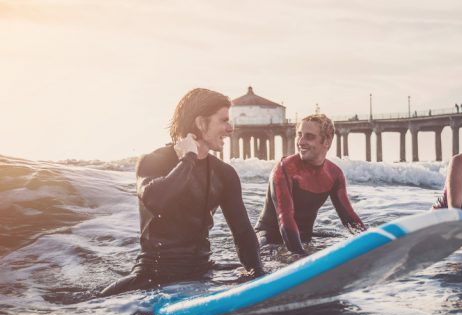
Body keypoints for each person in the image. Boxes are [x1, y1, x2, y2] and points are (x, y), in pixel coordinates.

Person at [100, 88, 264, 296]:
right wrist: (188, 159)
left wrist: (259, 277)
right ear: (201, 123)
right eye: (223, 120)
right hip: (153, 277)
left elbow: (243, 234)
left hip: (201, 274)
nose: (230, 128)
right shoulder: (153, 161)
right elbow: (156, 199)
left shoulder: (224, 174)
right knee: (93, 303)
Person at [254, 114, 366, 255]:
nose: (301, 141)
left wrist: (369, 240)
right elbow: (285, 219)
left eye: (309, 136)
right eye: (299, 135)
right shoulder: (285, 168)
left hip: (303, 239)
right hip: (268, 240)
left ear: (327, 141)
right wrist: (299, 255)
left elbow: (348, 218)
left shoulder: (334, 174)